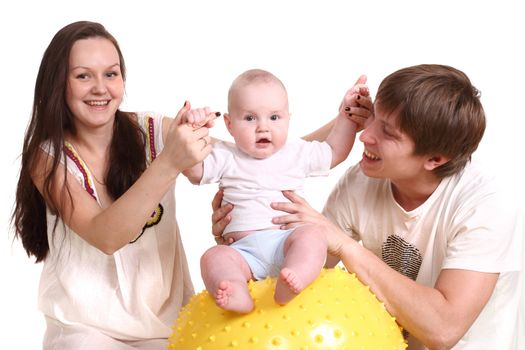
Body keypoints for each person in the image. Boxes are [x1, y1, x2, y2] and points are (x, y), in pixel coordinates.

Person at [212, 64, 522, 349]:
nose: (365, 136)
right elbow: (292, 274)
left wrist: (348, 247)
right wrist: (246, 235)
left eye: (388, 132)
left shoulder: (485, 202)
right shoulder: (362, 179)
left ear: (434, 160)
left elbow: (443, 330)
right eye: (372, 117)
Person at [12, 21, 215, 349]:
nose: (100, 88)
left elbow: (257, 161)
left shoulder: (154, 130)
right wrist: (170, 161)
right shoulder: (48, 157)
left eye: (111, 73)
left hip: (166, 327)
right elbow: (106, 236)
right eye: (83, 76)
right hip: (84, 330)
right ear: (58, 84)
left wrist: (329, 138)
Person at [183, 69, 371, 313]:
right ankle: (235, 289)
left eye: (274, 117)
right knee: (213, 257)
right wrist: (190, 130)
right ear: (229, 124)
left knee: (313, 235)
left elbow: (335, 151)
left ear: (288, 119)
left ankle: (296, 276)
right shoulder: (225, 156)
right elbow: (194, 170)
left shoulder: (297, 152)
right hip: (242, 251)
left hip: (287, 243)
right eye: (250, 118)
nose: (263, 127)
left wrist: (347, 114)